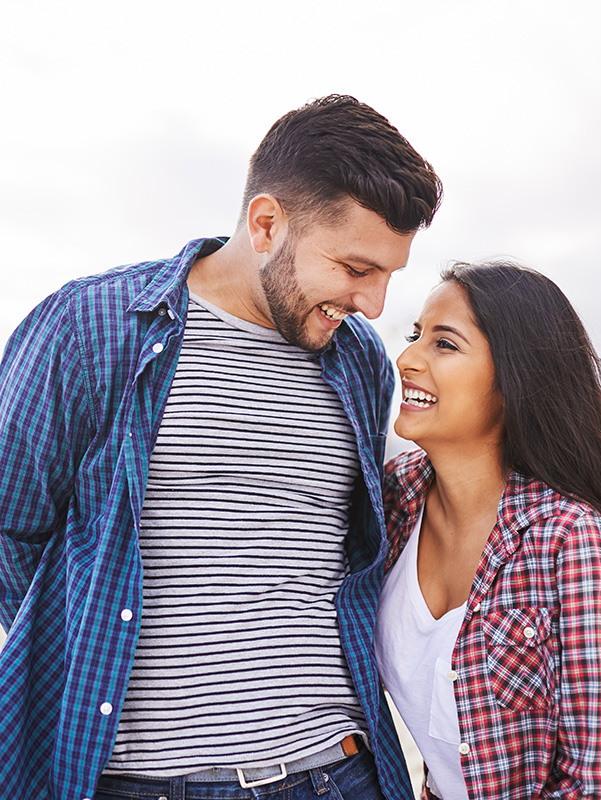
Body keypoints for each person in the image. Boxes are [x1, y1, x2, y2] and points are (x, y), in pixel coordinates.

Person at [0, 95, 442, 800]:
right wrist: (92, 641)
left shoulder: (358, 361)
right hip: (135, 784)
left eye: (389, 273)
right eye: (356, 268)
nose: (375, 304)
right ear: (266, 224)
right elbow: (11, 525)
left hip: (337, 774)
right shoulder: (89, 328)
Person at [372, 261, 601, 800]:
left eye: (444, 344)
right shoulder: (396, 500)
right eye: (415, 336)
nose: (407, 359)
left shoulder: (570, 539)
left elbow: (596, 784)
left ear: (513, 381)